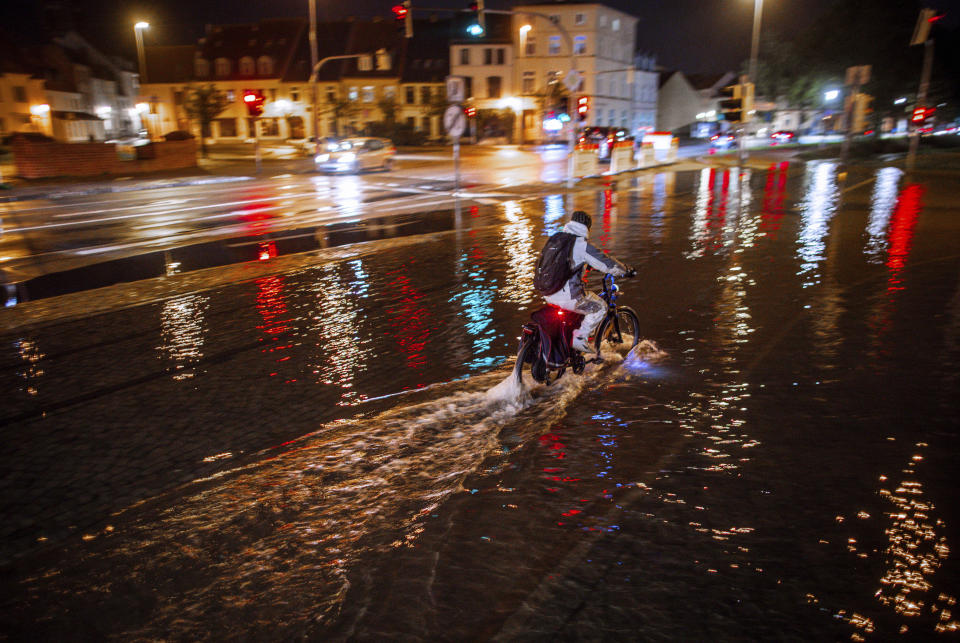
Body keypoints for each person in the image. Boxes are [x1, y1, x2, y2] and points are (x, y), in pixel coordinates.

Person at [533, 211, 631, 354]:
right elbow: (606, 263)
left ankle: (567, 348)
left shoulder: (556, 239)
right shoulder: (581, 244)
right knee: (600, 307)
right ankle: (580, 338)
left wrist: (585, 266)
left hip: (547, 292)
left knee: (573, 315)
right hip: (568, 296)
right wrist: (626, 270)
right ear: (587, 227)